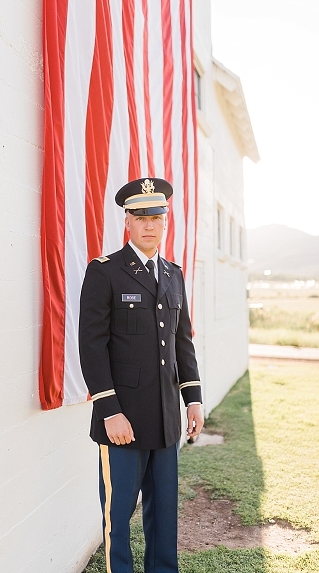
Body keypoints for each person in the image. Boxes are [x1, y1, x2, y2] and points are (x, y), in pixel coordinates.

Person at [78, 177, 203, 573]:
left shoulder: (173, 274)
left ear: (166, 222)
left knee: (164, 517)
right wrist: (110, 411)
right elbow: (91, 347)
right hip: (122, 421)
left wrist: (193, 400)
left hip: (166, 420)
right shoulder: (105, 272)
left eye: (156, 217)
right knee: (119, 518)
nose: (149, 224)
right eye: (140, 216)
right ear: (127, 222)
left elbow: (182, 343)